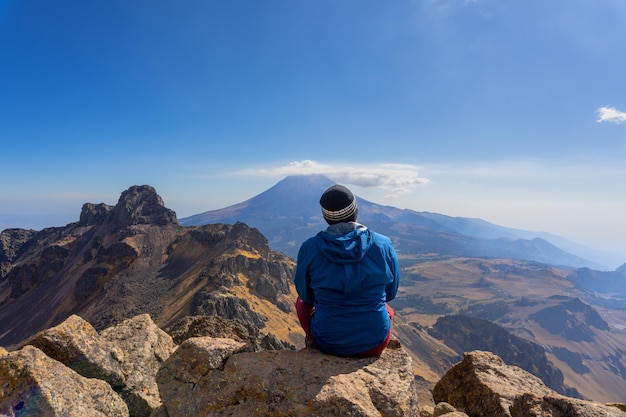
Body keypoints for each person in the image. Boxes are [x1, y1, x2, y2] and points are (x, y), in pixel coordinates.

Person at [294, 184, 400, 357]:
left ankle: (313, 345)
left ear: (325, 217)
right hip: (375, 341)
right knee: (385, 307)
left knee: (300, 302)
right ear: (356, 211)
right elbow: (390, 293)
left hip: (327, 341)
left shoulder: (310, 248)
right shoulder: (383, 244)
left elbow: (306, 297)